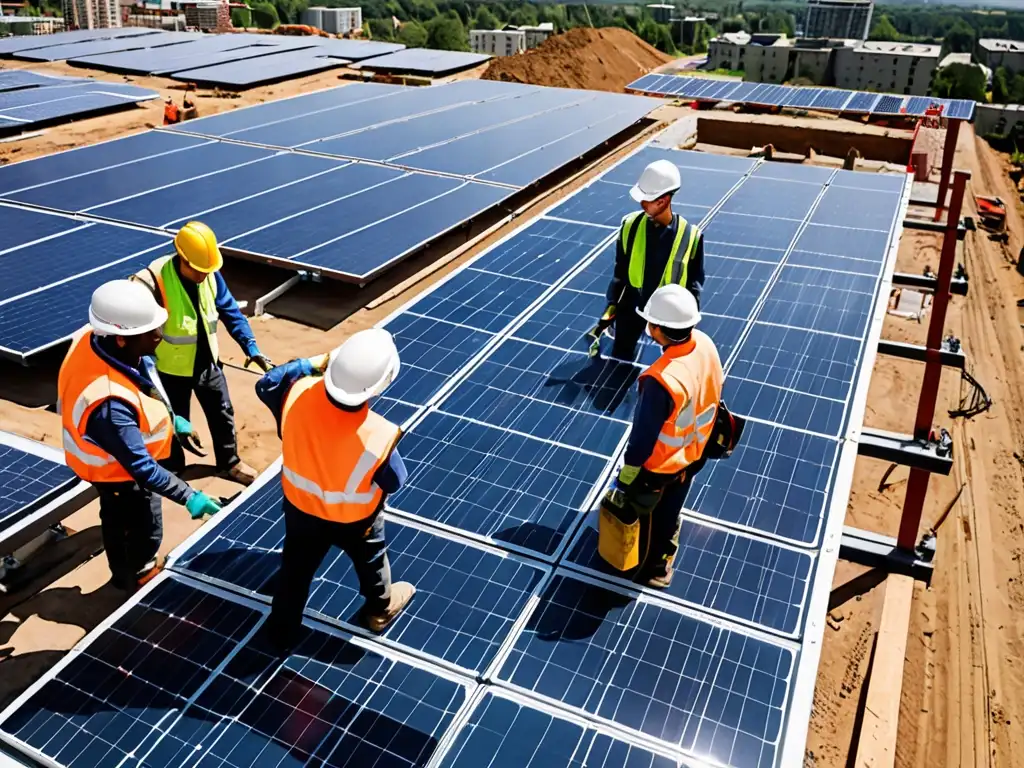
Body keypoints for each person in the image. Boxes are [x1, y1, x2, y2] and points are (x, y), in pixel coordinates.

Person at [255, 328, 415, 652]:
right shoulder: (378, 434)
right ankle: (379, 610)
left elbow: (267, 382)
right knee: (371, 563)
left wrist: (319, 361)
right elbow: (395, 481)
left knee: (295, 571)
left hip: (300, 511)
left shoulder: (294, 394)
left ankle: (282, 631)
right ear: (381, 384)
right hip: (356, 522)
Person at [58, 280, 222, 590]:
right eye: (151, 331)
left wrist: (174, 421)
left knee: (124, 520)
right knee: (138, 526)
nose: (160, 335)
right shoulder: (108, 403)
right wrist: (190, 497)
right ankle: (134, 574)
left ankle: (130, 566)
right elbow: (143, 469)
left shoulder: (94, 338)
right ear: (121, 339)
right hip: (117, 475)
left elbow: (143, 381)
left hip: (122, 462)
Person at [133, 221, 271, 486]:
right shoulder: (154, 281)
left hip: (207, 362)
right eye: (197, 270)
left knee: (222, 412)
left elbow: (230, 311)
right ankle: (172, 470)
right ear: (182, 258)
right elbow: (138, 337)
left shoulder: (210, 274)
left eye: (207, 270)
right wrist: (150, 381)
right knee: (172, 423)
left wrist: (251, 347)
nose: (203, 275)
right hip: (169, 370)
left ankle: (229, 463)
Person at [603, 284, 723, 587]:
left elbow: (642, 441)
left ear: (658, 328)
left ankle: (654, 569)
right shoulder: (705, 344)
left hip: (662, 469)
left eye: (650, 323)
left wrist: (628, 478)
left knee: (652, 519)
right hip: (696, 453)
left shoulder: (660, 380)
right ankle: (667, 539)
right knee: (671, 511)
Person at [600, 159, 706, 361]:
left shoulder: (690, 237)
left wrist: (686, 324)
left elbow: (694, 285)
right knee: (620, 359)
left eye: (646, 200)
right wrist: (612, 303)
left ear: (663, 200)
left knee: (668, 366)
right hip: (631, 308)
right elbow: (620, 271)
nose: (641, 204)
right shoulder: (629, 226)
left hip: (667, 316)